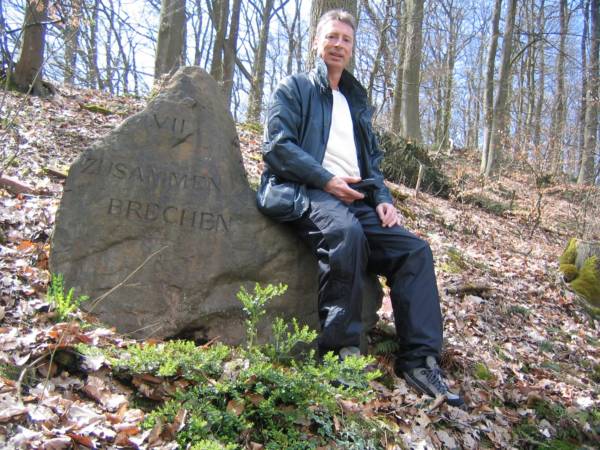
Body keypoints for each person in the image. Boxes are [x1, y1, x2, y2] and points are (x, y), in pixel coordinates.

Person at [256, 9, 463, 407]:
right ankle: (341, 352)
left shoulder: (355, 101)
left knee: (414, 252)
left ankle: (419, 360)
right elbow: (277, 148)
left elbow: (372, 164)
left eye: (346, 40)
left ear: (352, 49)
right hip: (306, 189)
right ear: (317, 42)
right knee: (345, 235)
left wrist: (383, 200)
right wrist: (325, 179)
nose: (338, 45)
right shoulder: (294, 88)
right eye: (331, 37)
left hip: (358, 197)